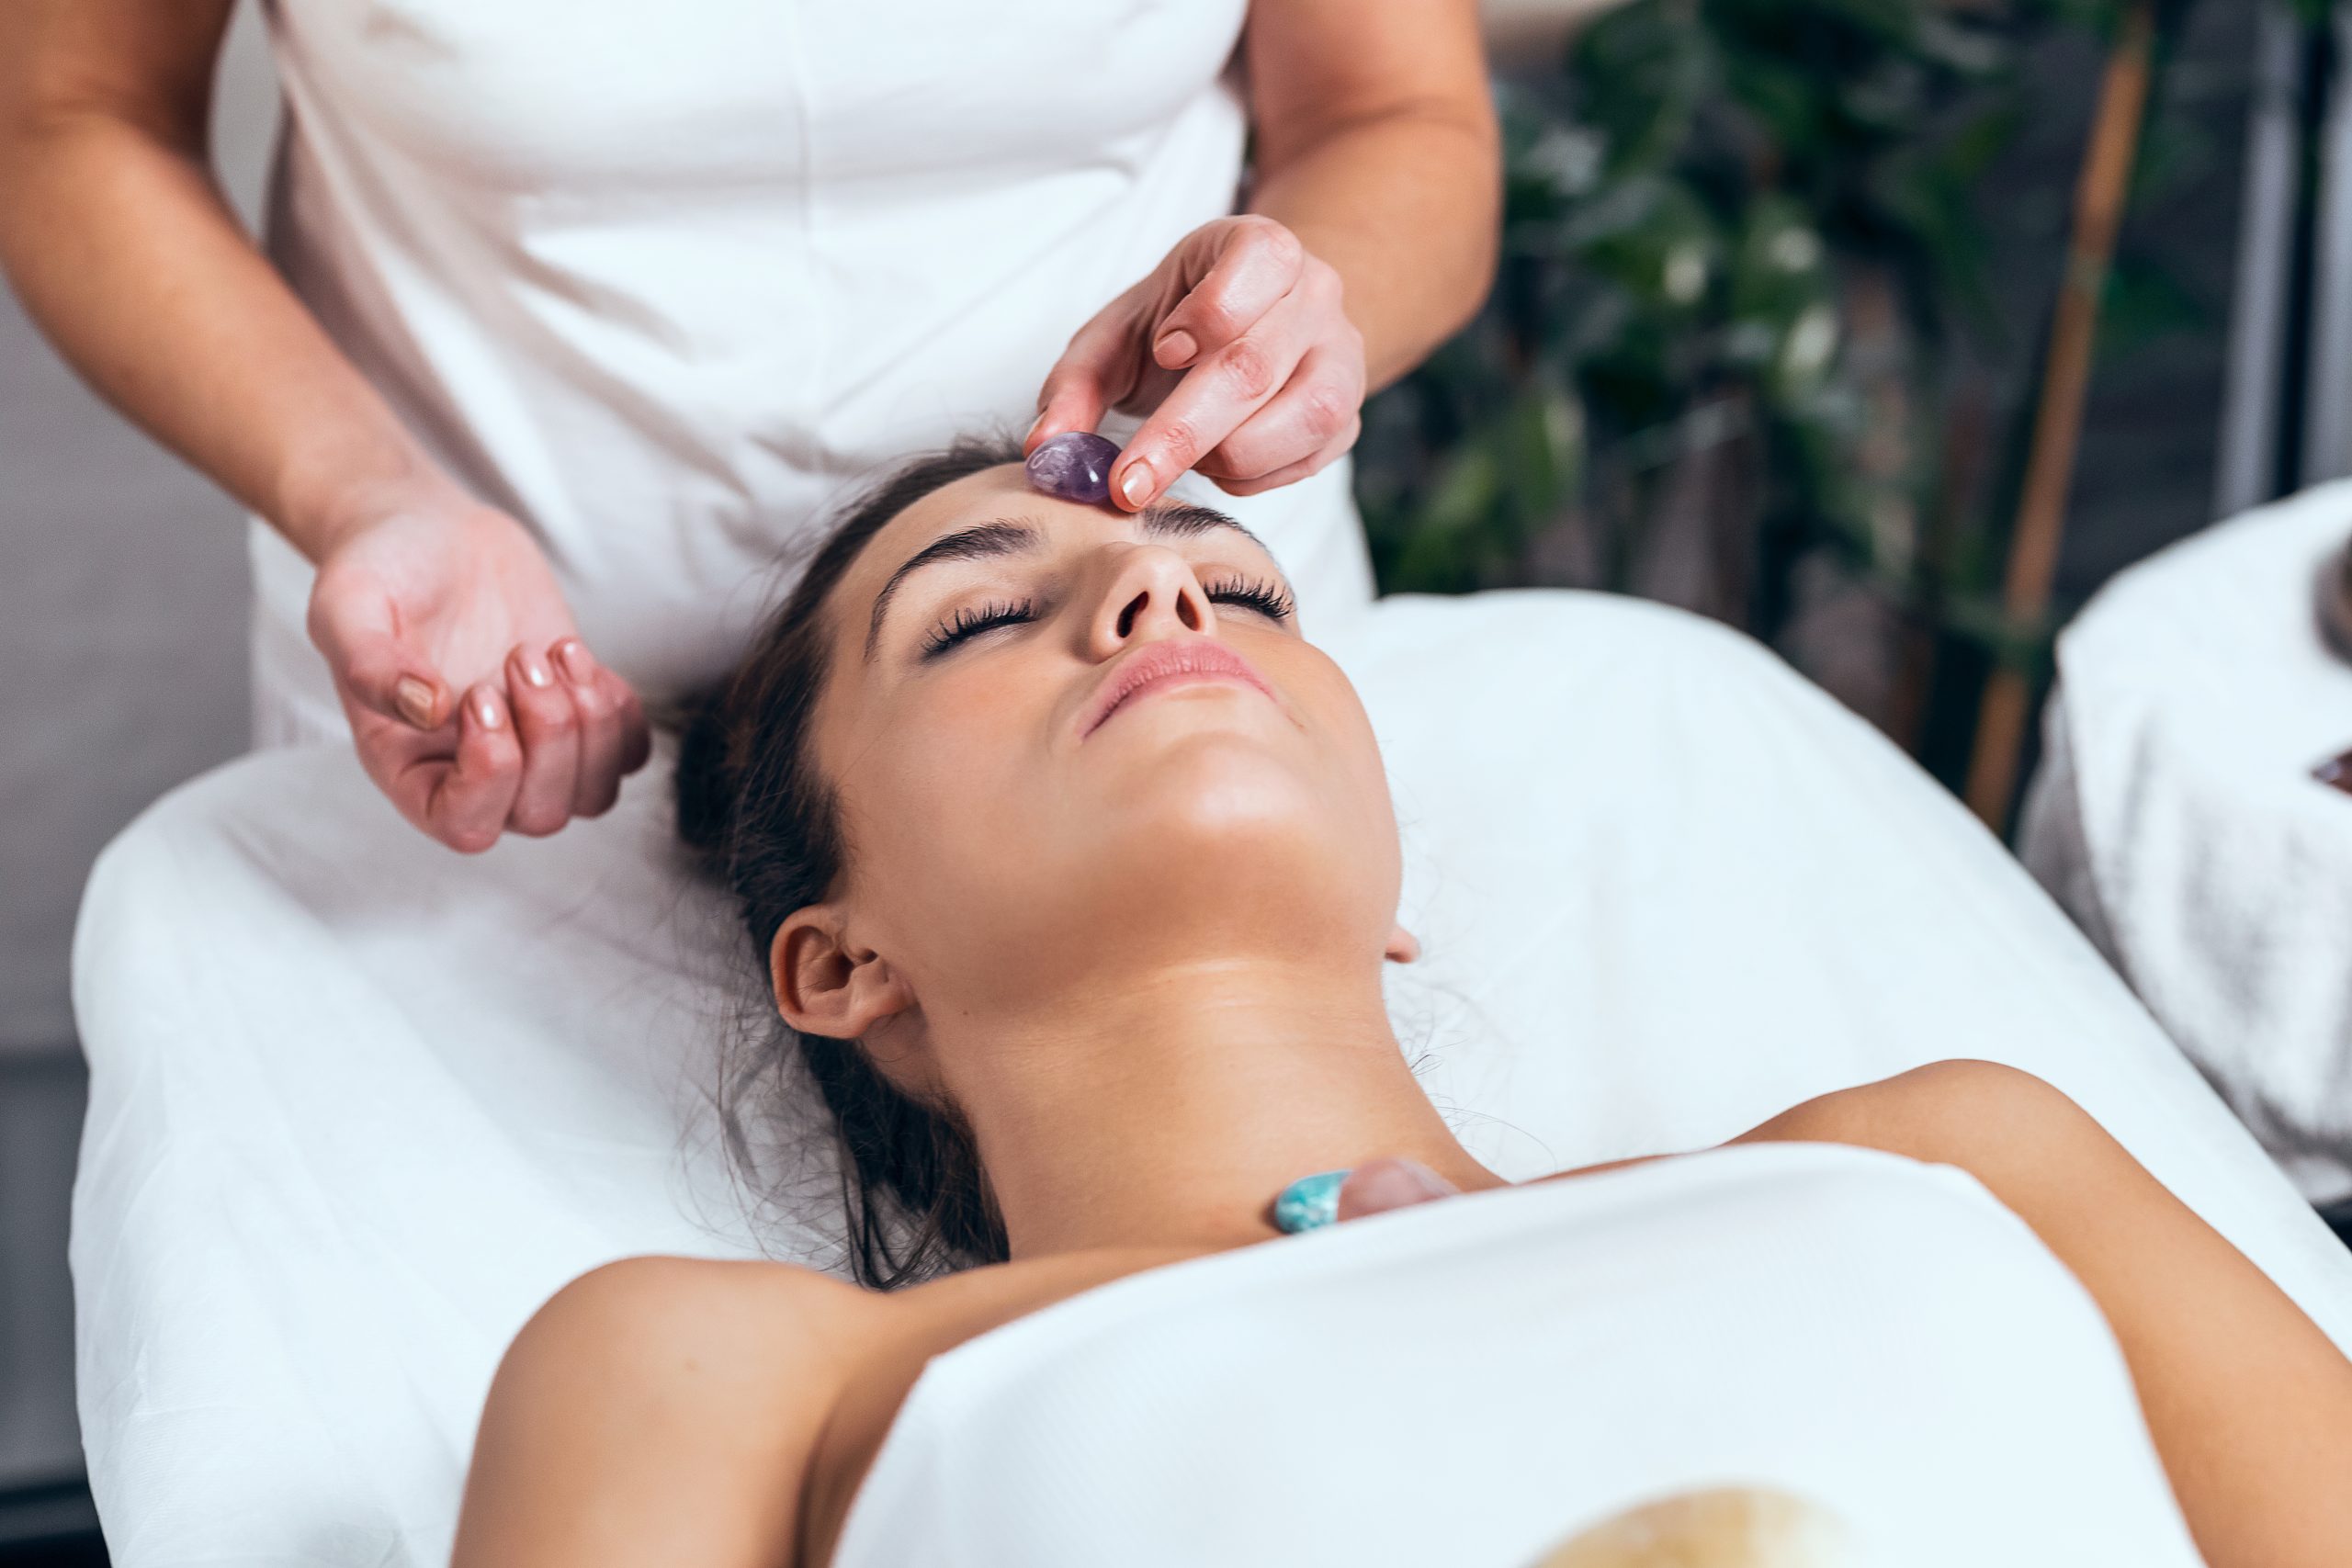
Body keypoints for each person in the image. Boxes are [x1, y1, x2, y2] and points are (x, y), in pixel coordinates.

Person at [448, 444, 2352, 1568]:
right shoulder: (731, 1375)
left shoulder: (1958, 1150)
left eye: (1243, 591)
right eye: (979, 616)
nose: (1163, 604)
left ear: (1397, 900)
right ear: (840, 960)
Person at [0, 1, 1496, 852]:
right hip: (500, 733)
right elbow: (71, 116)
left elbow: (1393, 113)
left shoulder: (1178, 663)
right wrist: (355, 490)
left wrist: (1291, 319)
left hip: (1162, 734)